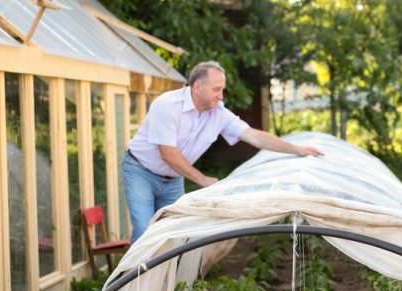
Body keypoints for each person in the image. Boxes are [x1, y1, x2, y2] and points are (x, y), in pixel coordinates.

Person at [124, 60, 323, 242]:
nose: (221, 96)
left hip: (174, 178)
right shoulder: (167, 105)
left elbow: (254, 136)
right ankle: (132, 279)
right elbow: (168, 153)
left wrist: (297, 149)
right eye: (216, 89)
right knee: (144, 229)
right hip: (141, 171)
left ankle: (167, 281)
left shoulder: (218, 113)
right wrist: (202, 179)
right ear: (197, 87)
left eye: (222, 90)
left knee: (174, 233)